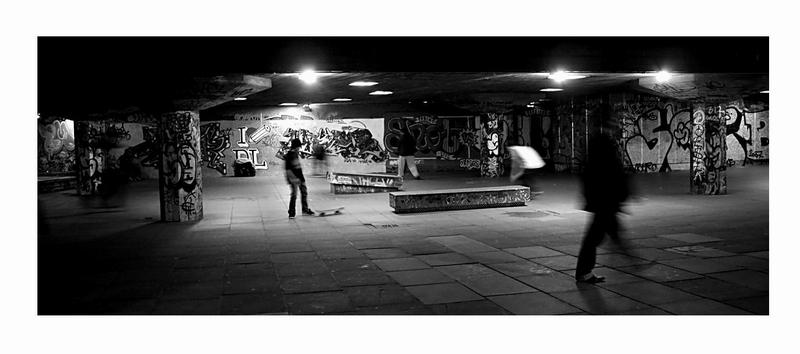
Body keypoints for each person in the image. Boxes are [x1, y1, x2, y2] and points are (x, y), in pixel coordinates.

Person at [575, 121, 631, 283]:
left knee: (601, 235)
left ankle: (633, 261)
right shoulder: (605, 150)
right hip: (605, 203)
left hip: (602, 202)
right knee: (598, 236)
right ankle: (584, 271)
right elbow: (614, 175)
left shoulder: (595, 153)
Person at [285, 138, 314, 218]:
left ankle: (305, 209)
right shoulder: (290, 156)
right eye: (298, 147)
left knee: (304, 192)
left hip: (299, 178)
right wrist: (293, 179)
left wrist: (302, 179)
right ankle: (291, 212)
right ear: (295, 147)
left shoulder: (295, 154)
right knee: (294, 195)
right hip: (294, 179)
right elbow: (288, 169)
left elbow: (298, 168)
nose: (299, 148)